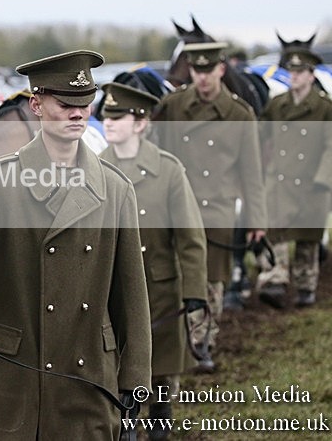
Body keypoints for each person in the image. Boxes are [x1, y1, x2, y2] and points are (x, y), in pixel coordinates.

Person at [0, 51, 151, 440]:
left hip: (87, 378)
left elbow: (131, 294)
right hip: (11, 376)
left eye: (85, 103)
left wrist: (135, 385)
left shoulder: (115, 189)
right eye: (65, 104)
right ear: (36, 105)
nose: (78, 113)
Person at [99, 83, 208, 439]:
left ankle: (160, 417)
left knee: (159, 372)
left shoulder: (169, 170)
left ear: (141, 122)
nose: (108, 122)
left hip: (159, 289)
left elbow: (190, 238)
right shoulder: (97, 169)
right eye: (106, 115)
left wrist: (194, 292)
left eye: (118, 116)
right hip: (112, 290)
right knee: (117, 369)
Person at [153, 41, 267, 373]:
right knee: (175, 277)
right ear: (190, 71)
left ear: (221, 69)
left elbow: (252, 173)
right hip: (176, 208)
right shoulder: (172, 107)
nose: (203, 78)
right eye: (196, 70)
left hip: (216, 209)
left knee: (212, 282)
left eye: (209, 70)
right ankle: (180, 343)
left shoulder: (239, 114)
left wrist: (256, 220)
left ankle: (202, 343)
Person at [255, 44, 332, 308]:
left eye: (300, 71)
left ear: (311, 75)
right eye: (291, 70)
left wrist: (324, 179)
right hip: (279, 181)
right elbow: (260, 136)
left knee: (307, 240)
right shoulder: (277, 105)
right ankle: (276, 280)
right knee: (276, 234)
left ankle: (306, 287)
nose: (294, 76)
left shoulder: (324, 107)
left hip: (311, 182)